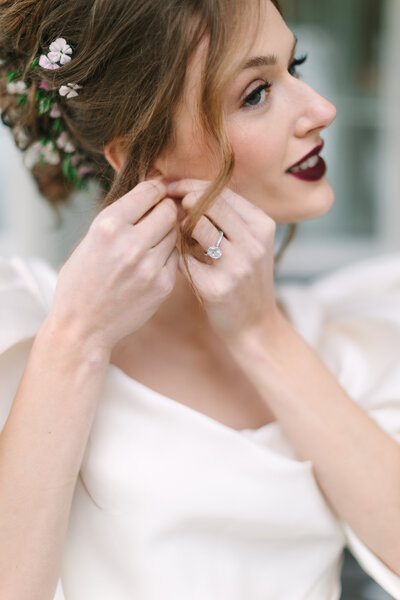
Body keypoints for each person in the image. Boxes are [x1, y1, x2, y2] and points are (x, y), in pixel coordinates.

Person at [0, 0, 399, 599]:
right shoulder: (25, 337)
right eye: (257, 93)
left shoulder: (349, 339)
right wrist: (77, 339)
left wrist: (260, 332)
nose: (322, 109)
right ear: (141, 156)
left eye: (298, 66)